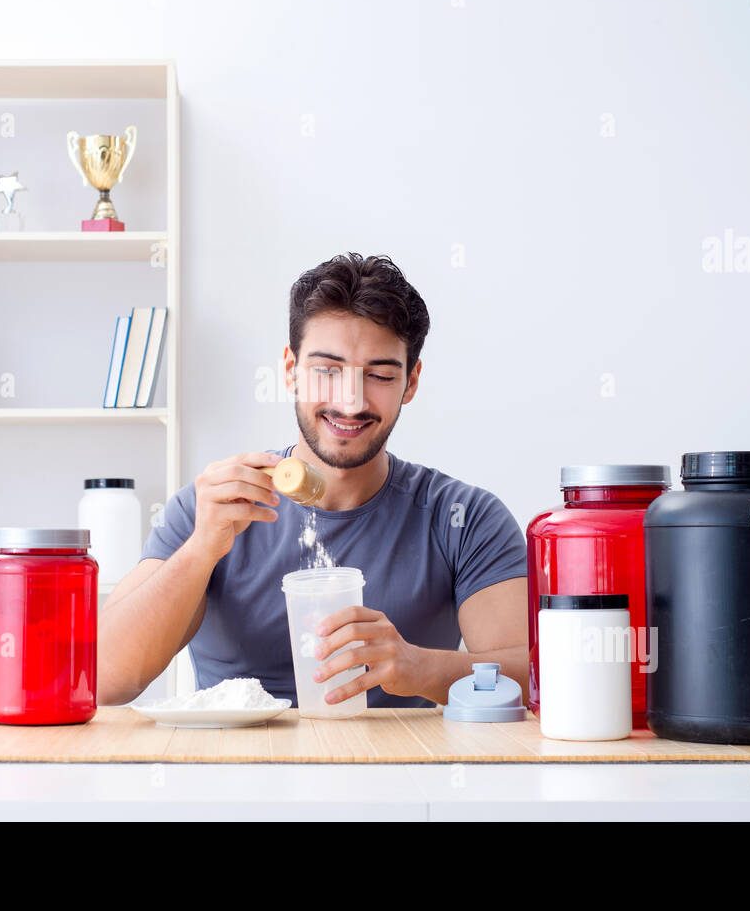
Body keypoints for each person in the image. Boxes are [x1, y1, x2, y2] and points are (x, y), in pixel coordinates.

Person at [98, 253, 528, 708]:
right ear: (290, 370)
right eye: (327, 369)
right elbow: (105, 680)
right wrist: (202, 549)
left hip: (401, 775)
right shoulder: (211, 509)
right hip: (236, 775)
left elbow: (536, 676)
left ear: (411, 382)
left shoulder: (463, 518)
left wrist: (421, 668)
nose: (350, 401)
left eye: (380, 375)